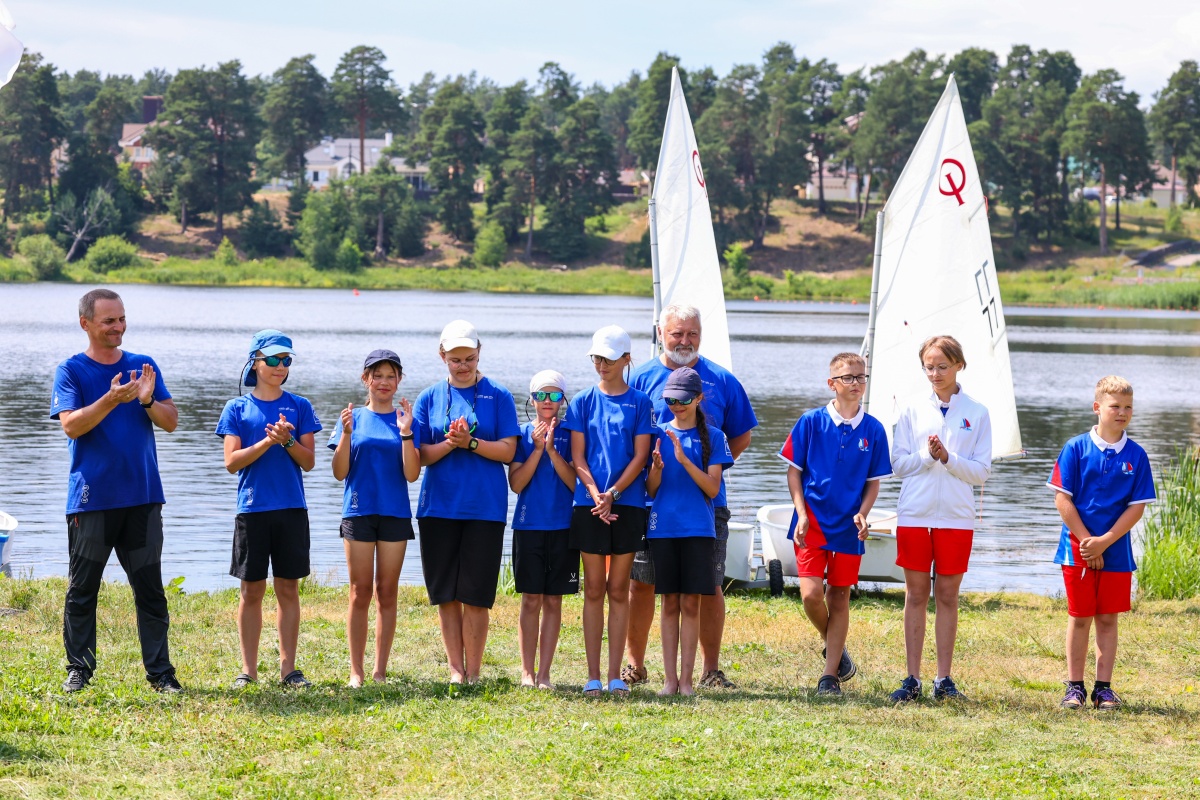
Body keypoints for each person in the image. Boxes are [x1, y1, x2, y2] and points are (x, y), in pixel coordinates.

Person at [51, 288, 181, 694]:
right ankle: (80, 670)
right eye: (109, 320)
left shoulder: (144, 366)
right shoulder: (71, 371)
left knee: (150, 590)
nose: (118, 327)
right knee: (83, 587)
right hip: (92, 499)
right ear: (86, 323)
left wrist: (145, 401)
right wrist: (110, 399)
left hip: (142, 498)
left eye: (122, 318)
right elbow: (71, 426)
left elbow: (172, 421)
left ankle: (161, 674)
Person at [625, 304, 757, 690]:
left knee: (709, 585)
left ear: (701, 335)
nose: (684, 340)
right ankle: (635, 664)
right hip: (652, 504)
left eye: (692, 334)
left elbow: (741, 435)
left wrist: (706, 464)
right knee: (642, 581)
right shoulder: (642, 379)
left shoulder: (722, 379)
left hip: (706, 505)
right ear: (660, 333)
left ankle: (710, 669)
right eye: (676, 333)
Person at [413, 320, 520, 684]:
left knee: (476, 595)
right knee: (446, 594)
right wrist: (450, 443)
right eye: (455, 360)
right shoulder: (429, 397)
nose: (463, 366)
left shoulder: (499, 395)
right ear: (442, 356)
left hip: (485, 509)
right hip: (437, 508)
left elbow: (508, 450)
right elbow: (420, 456)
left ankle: (474, 671)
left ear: (479, 353)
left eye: (469, 358)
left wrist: (471, 443)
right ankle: (455, 670)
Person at [779, 352, 891, 696]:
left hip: (848, 527)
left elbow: (873, 481)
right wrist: (800, 511)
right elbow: (793, 471)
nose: (856, 383)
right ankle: (838, 650)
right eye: (848, 378)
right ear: (832, 383)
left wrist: (865, 513)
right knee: (811, 595)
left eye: (861, 377)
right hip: (810, 524)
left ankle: (829, 677)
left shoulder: (873, 429)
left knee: (838, 595)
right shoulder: (810, 422)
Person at [888, 335, 992, 703]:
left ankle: (943, 679)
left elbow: (981, 472)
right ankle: (912, 679)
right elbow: (898, 465)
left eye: (942, 366)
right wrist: (928, 456)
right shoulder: (911, 408)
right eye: (929, 367)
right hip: (915, 515)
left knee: (947, 596)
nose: (935, 373)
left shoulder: (977, 412)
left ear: (959, 365)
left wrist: (948, 458)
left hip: (957, 519)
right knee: (916, 594)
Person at [216, 330, 322, 689]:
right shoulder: (237, 409)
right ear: (254, 363)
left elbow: (308, 462)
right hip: (252, 510)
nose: (280, 367)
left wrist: (288, 440)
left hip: (292, 509)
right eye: (273, 360)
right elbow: (232, 462)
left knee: (288, 590)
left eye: (286, 361)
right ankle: (248, 671)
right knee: (251, 591)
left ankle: (288, 670)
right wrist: (267, 440)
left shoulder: (300, 406)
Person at [1048, 376, 1155, 711]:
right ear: (1098, 408)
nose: (1122, 412)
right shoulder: (1075, 448)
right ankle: (1074, 687)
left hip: (1116, 551)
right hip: (1076, 549)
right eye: (1115, 406)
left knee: (1108, 618)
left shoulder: (1136, 455)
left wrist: (1105, 542)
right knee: (1080, 617)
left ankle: (1104, 689)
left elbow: (1136, 507)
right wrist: (1086, 542)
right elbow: (1062, 500)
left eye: (1127, 407)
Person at [563, 325, 655, 697]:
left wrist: (613, 493)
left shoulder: (640, 402)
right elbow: (578, 456)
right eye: (597, 357)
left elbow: (641, 455)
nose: (601, 364)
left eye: (610, 358)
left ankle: (616, 674)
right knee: (594, 590)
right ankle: (592, 676)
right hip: (589, 504)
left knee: (619, 589)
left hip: (628, 504)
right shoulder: (583, 401)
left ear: (627, 360)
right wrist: (595, 493)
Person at [329, 349, 420, 688]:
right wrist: (348, 435)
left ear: (399, 381)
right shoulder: (350, 418)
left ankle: (380, 671)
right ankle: (357, 671)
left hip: (395, 513)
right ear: (365, 379)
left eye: (391, 376)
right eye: (377, 375)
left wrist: (408, 434)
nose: (384, 382)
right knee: (359, 591)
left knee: (387, 592)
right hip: (358, 510)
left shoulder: (405, 420)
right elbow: (339, 473)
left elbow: (412, 474)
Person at [646, 367, 734, 696]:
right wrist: (655, 470)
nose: (676, 405)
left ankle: (687, 682)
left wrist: (683, 460)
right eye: (670, 399)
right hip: (663, 529)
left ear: (698, 398)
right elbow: (652, 490)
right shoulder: (657, 434)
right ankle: (670, 681)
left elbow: (712, 488)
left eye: (683, 399)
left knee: (692, 604)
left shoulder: (714, 437)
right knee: (669, 603)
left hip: (698, 529)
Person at [507, 369, 578, 689]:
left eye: (554, 395)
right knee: (531, 599)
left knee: (553, 601)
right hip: (528, 526)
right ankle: (526, 672)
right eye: (541, 395)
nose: (547, 402)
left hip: (564, 527)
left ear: (563, 399)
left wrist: (551, 450)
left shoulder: (572, 434)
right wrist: (537, 449)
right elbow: (516, 483)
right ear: (531, 399)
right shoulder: (521, 434)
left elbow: (575, 483)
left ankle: (545, 673)